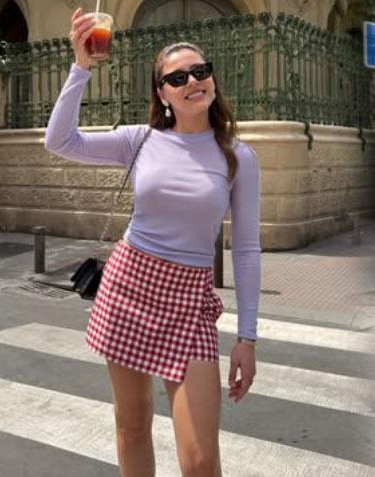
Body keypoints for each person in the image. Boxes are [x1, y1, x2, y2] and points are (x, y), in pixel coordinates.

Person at [45, 8, 261, 476]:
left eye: (200, 71)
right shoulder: (139, 140)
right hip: (129, 286)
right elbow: (60, 141)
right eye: (177, 77)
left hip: (189, 301)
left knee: (200, 460)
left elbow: (246, 249)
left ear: (213, 79)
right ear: (162, 94)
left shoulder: (238, 156)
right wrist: (80, 67)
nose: (192, 81)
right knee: (132, 426)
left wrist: (248, 337)